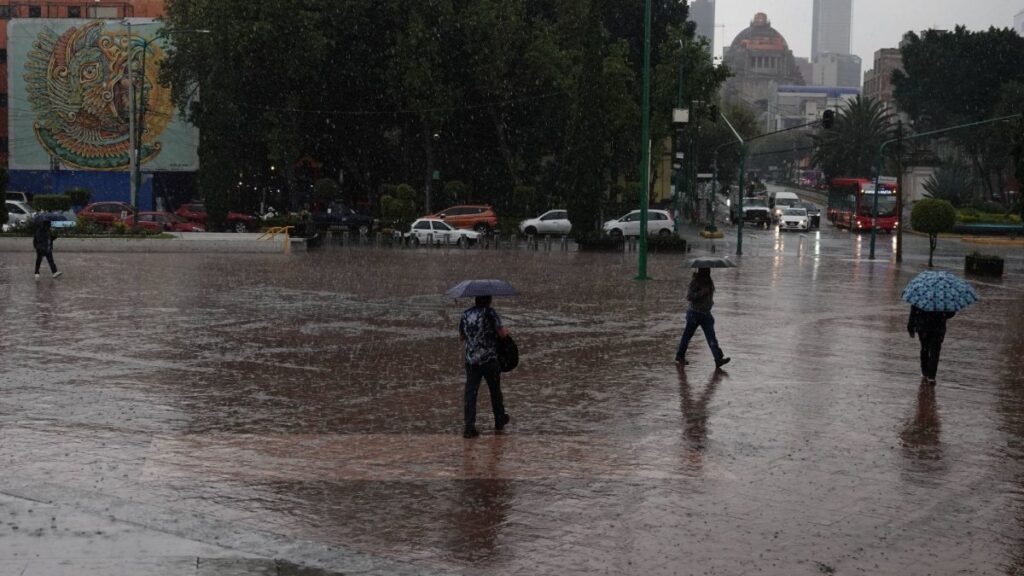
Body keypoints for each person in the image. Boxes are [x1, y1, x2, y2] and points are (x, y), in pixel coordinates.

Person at [459, 295, 511, 439]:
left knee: (470, 394)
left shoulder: (466, 314)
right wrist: (504, 332)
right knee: (495, 391)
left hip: (471, 361)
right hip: (489, 360)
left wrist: (473, 337)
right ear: (488, 300)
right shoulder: (490, 312)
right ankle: (499, 420)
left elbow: (462, 337)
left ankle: (469, 427)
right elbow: (502, 334)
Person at [675, 268, 730, 369]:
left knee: (711, 337)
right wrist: (701, 293)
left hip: (706, 314)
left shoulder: (709, 282)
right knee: (687, 336)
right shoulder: (695, 282)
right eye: (706, 270)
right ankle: (680, 356)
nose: (708, 271)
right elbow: (689, 297)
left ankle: (718, 359)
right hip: (694, 314)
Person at [908, 305, 955, 385]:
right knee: (934, 352)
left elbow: (913, 312)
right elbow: (951, 312)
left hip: (923, 327)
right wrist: (943, 315)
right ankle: (931, 376)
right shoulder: (943, 300)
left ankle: (925, 372)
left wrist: (910, 327)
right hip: (937, 328)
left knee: (925, 348)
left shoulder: (921, 298)